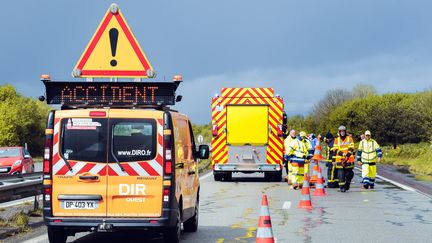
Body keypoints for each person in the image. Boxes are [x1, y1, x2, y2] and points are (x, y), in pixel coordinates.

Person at [332, 125, 355, 192]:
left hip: (349, 159)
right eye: (341, 131)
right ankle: (342, 187)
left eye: (343, 131)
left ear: (345, 131)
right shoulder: (337, 140)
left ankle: (347, 184)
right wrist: (342, 154)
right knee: (340, 174)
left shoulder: (349, 138)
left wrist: (347, 155)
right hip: (339, 159)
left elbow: (351, 148)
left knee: (349, 174)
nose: (342, 132)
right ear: (339, 132)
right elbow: (335, 150)